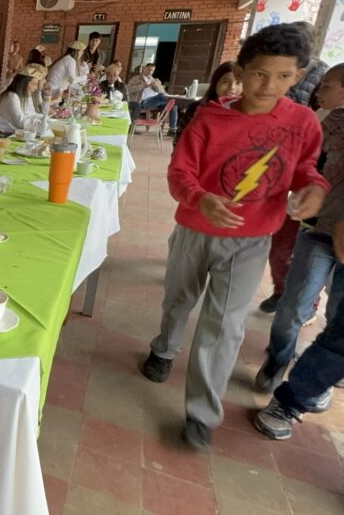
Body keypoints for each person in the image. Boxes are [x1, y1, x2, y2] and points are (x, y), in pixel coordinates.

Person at [139, 24, 328, 451]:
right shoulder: (210, 118)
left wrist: (314, 188)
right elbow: (180, 172)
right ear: (242, 71)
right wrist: (200, 198)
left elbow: (305, 168)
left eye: (283, 76)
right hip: (195, 229)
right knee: (179, 298)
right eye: (260, 73)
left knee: (224, 325)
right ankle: (164, 349)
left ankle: (202, 413)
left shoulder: (301, 122)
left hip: (251, 239)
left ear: (299, 76)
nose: (269, 85)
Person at [253, 64, 344, 405]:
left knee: (338, 315)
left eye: (328, 85)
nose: (319, 90)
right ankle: (278, 359)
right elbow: (302, 166)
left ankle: (326, 372)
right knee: (293, 303)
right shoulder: (320, 122)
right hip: (316, 228)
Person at [258, 21, 331, 313]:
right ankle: (281, 290)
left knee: (308, 253)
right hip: (276, 162)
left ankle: (306, 303)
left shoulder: (311, 110)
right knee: (282, 245)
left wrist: (315, 185)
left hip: (310, 185)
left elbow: (309, 162)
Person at [253, 263, 344, 441]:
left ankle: (301, 394)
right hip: (321, 245)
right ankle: (281, 365)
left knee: (338, 326)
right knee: (293, 308)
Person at [175, 62, 241, 147]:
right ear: (215, 83)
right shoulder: (197, 109)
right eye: (226, 82)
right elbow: (180, 142)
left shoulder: (246, 113)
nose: (232, 87)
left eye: (238, 83)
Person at [0, 64, 47, 142]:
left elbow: (31, 114)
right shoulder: (11, 96)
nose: (36, 88)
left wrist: (44, 119)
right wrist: (40, 123)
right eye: (34, 84)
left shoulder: (24, 97)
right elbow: (20, 122)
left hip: (5, 135)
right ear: (24, 83)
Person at [127, 63, 178, 135]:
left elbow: (163, 92)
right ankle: (169, 100)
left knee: (174, 105)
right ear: (144, 68)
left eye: (152, 70)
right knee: (163, 97)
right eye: (149, 69)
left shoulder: (155, 80)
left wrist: (157, 87)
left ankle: (172, 129)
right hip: (144, 102)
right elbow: (130, 89)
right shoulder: (136, 78)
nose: (150, 72)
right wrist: (145, 85)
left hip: (157, 101)